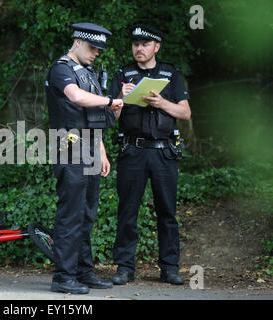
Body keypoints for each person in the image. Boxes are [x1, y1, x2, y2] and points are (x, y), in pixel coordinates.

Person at [109, 24, 191, 285]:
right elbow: (111, 117)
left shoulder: (170, 73)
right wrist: (119, 99)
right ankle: (124, 267)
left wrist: (161, 103)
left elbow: (185, 113)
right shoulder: (123, 73)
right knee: (127, 211)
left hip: (163, 152)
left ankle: (169, 268)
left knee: (167, 212)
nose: (139, 49)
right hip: (132, 150)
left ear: (156, 47)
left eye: (144, 44)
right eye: (135, 44)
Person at [45, 22, 124, 294]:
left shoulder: (88, 72)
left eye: (99, 50)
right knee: (71, 215)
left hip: (90, 147)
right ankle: (63, 277)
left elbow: (95, 118)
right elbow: (76, 97)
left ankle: (83, 271)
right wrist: (109, 100)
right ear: (77, 41)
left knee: (87, 214)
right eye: (92, 47)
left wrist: (101, 151)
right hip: (69, 147)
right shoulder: (61, 69)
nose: (96, 54)